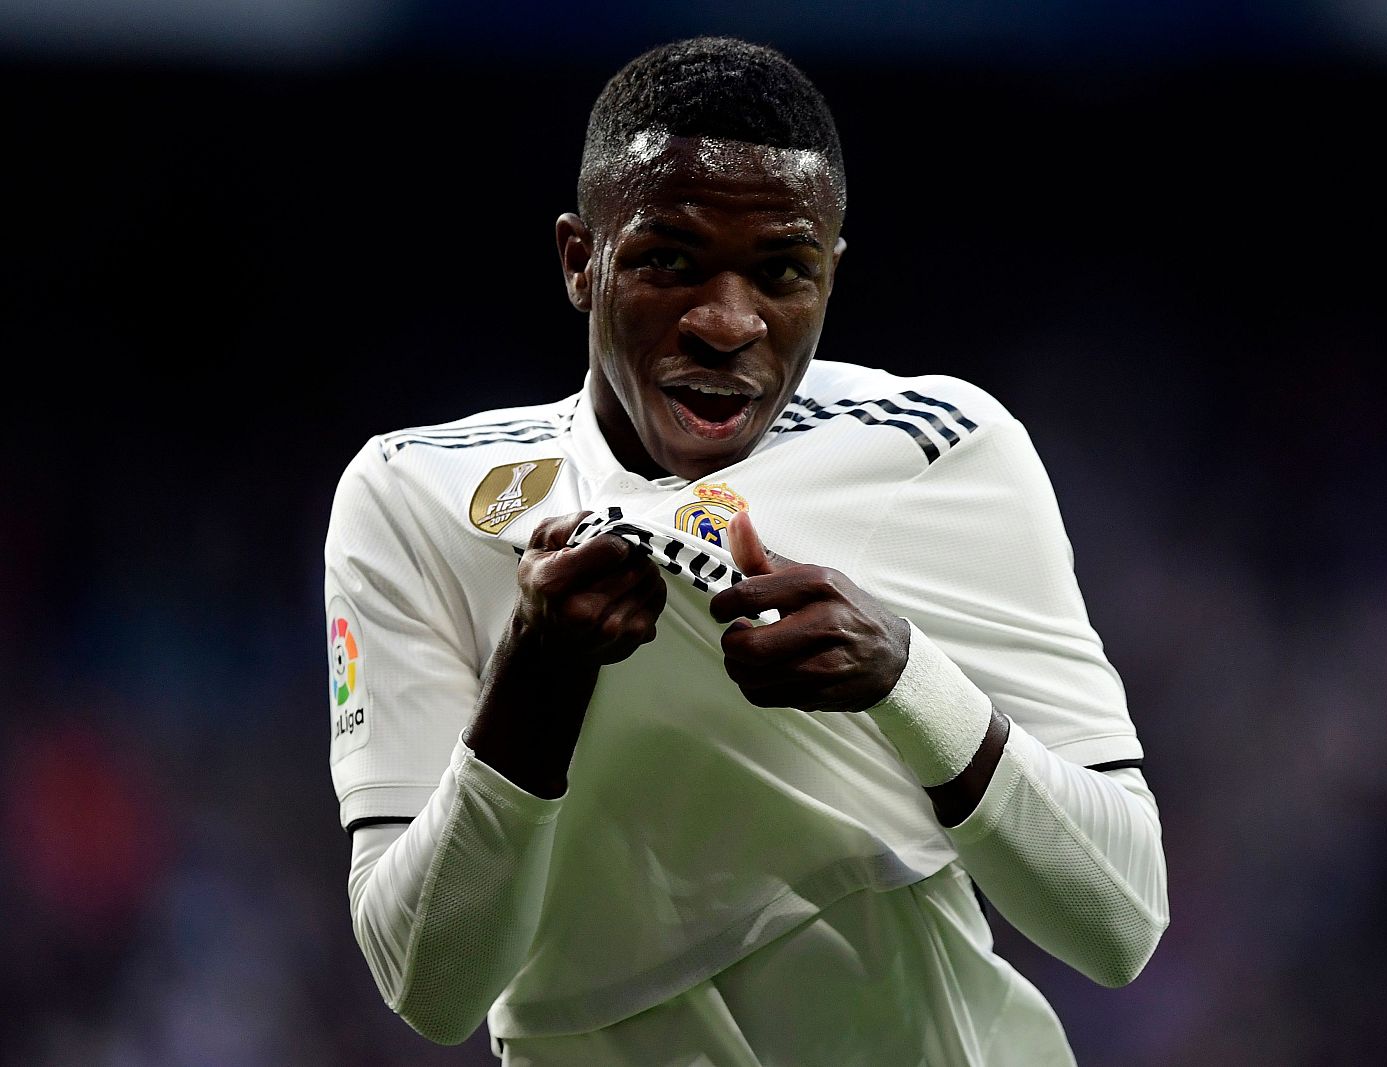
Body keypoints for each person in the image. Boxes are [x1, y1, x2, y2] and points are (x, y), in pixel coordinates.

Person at [324, 35, 1168, 1067]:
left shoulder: (937, 448)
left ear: (831, 273)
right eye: (667, 260)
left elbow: (1121, 916)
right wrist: (538, 676)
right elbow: (428, 982)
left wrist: (908, 677)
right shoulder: (415, 492)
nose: (727, 323)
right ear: (578, 259)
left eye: (782, 272)